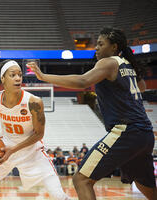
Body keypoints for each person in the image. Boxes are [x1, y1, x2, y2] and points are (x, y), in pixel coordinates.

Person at [28, 27, 157, 199]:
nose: (96, 47)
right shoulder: (128, 65)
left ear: (114, 47)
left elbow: (83, 81)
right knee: (147, 187)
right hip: (145, 135)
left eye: (101, 44)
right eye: (96, 44)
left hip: (127, 131)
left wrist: (44, 76)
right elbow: (141, 87)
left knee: (81, 180)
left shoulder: (109, 62)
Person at [0, 60, 69, 200]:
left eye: (20, 75)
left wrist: (13, 150)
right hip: (2, 149)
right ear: (3, 78)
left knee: (58, 195)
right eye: (13, 75)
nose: (18, 78)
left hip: (32, 152)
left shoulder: (34, 102)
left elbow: (39, 134)